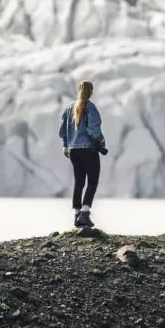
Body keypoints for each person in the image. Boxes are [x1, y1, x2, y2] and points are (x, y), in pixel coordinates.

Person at [58, 80, 107, 227]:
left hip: (73, 151)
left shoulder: (68, 108)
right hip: (88, 150)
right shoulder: (90, 107)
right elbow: (93, 130)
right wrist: (101, 142)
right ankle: (85, 214)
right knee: (92, 181)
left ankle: (77, 215)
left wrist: (66, 146)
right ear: (91, 91)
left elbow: (62, 132)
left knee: (79, 183)